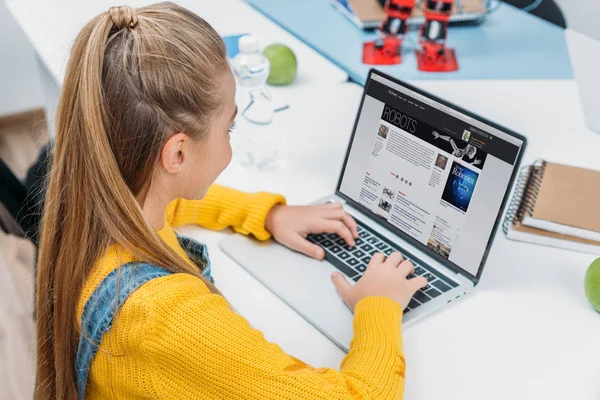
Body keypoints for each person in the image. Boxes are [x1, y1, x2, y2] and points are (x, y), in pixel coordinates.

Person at [35, 3, 426, 399]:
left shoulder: (97, 197)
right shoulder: (165, 317)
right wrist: (378, 305)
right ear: (177, 155)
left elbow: (174, 202)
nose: (229, 144)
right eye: (229, 126)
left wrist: (267, 214)